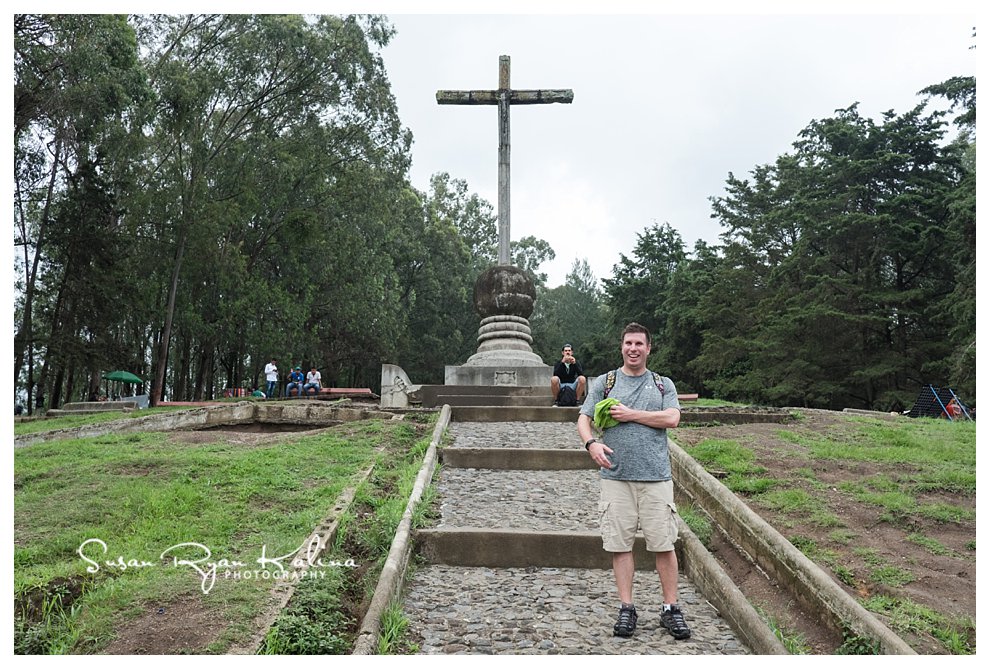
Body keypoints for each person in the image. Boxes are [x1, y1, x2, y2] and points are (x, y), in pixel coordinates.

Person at [576, 322, 690, 640]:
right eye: (628, 343)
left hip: (656, 478)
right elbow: (583, 419)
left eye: (639, 343)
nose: (633, 349)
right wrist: (591, 444)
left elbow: (672, 418)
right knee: (619, 545)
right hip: (616, 477)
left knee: (664, 545)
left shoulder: (662, 383)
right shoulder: (605, 382)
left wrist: (631, 414)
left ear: (648, 348)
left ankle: (671, 609)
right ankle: (627, 608)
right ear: (622, 347)